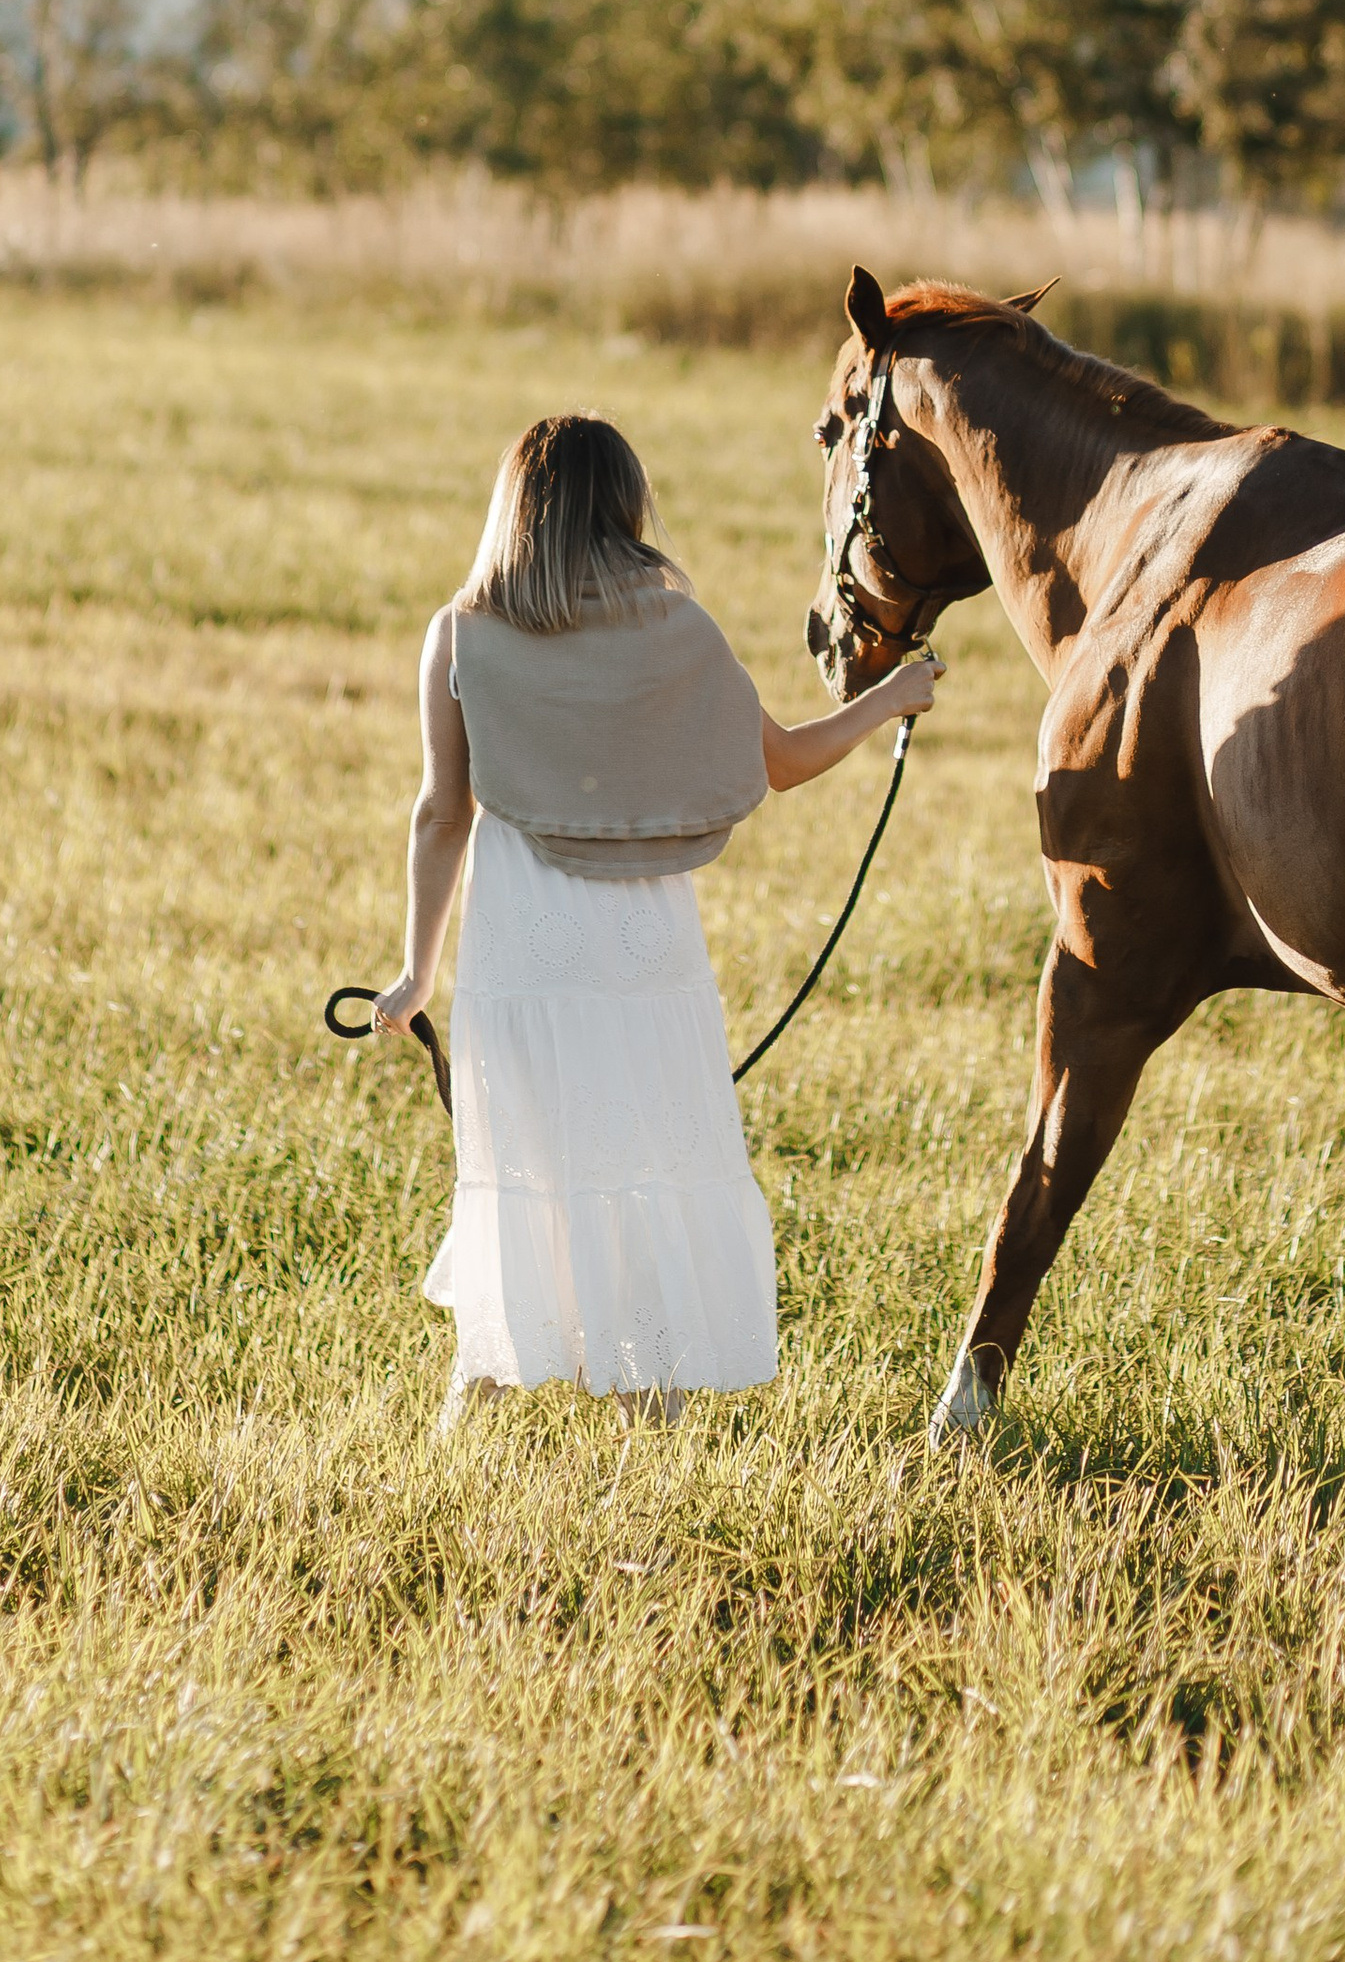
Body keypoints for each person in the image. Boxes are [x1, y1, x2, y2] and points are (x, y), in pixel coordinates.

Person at [370, 410, 937, 1420]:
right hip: (646, 952)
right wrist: (889, 698)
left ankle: (485, 1380)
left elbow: (440, 813)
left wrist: (415, 973)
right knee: (647, 1161)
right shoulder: (677, 631)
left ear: (516, 511)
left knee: (526, 1160)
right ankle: (652, 1397)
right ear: (627, 510)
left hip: (520, 950)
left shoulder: (458, 633)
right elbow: (782, 761)